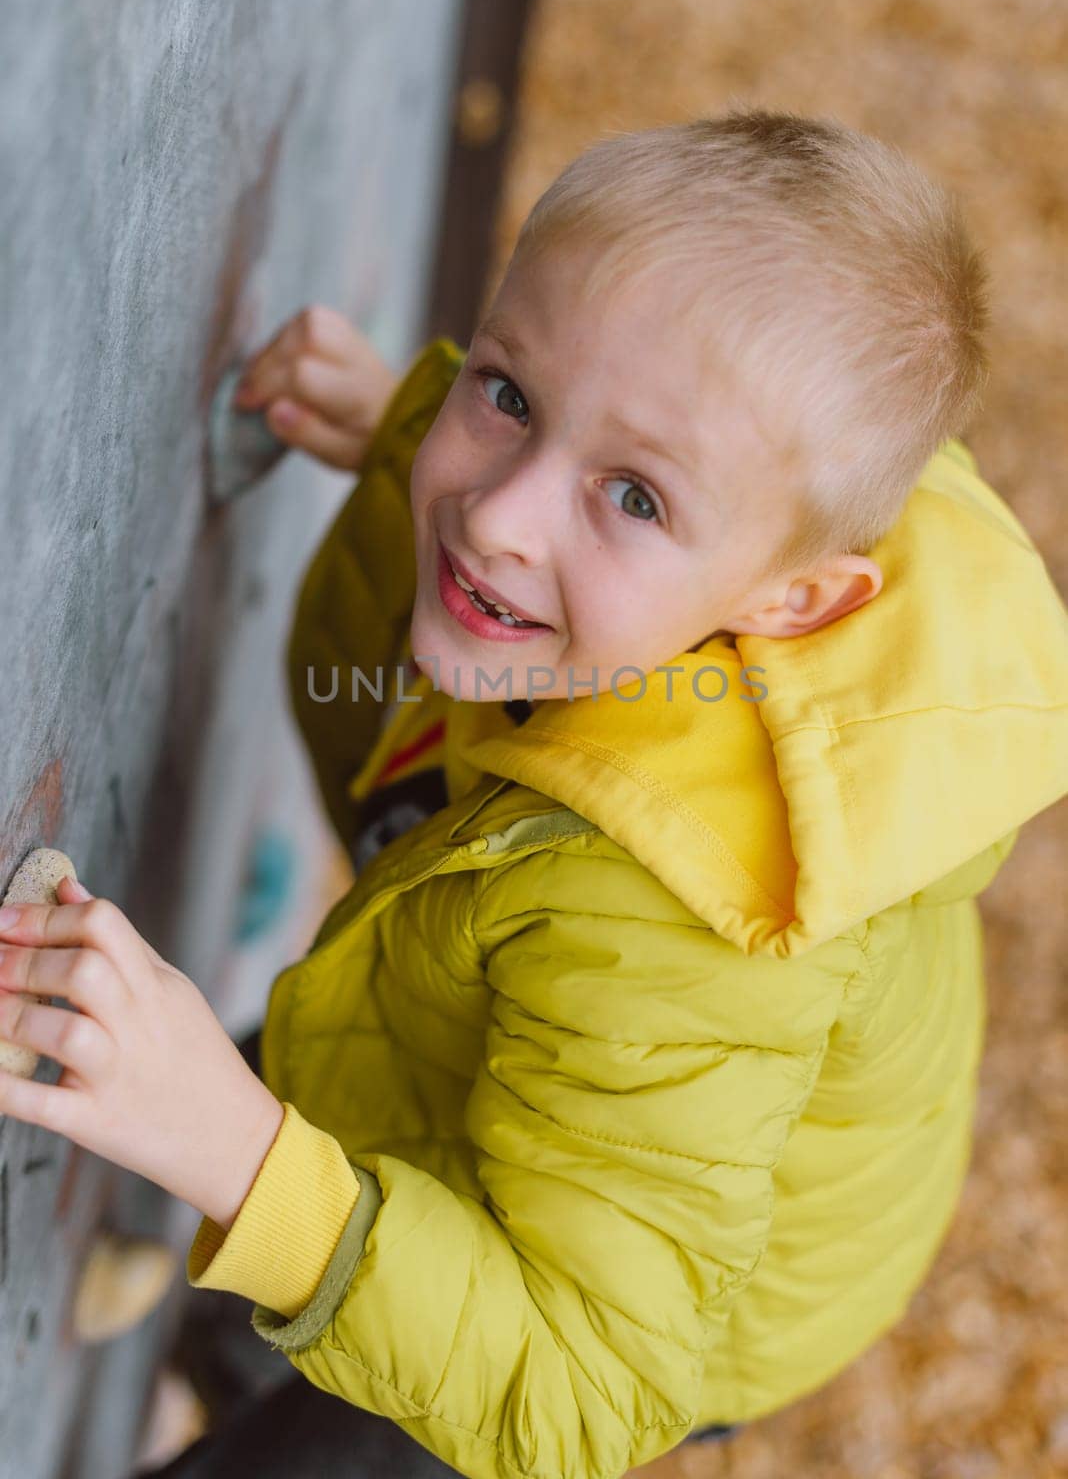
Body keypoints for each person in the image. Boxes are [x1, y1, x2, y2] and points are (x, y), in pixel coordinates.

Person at [2, 110, 1064, 1479]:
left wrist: (241, 1152)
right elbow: (589, 446)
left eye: (634, 496)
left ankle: (253, 1364)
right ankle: (232, 1344)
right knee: (288, 1119)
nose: (500, 515)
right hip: (508, 1070)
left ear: (789, 603)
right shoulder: (717, 532)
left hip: (602, 1314)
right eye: (507, 390)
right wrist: (402, 428)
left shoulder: (690, 934)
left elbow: (579, 1384)